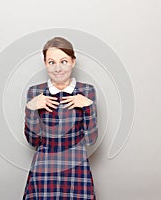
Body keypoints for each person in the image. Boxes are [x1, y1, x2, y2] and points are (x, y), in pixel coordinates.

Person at [22, 36, 98, 200]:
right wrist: (30, 109)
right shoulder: (35, 92)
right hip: (44, 166)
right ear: (45, 63)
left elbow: (91, 140)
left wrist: (88, 107)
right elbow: (33, 141)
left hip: (76, 164)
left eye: (63, 61)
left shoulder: (87, 91)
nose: (58, 68)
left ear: (73, 61)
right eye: (51, 62)